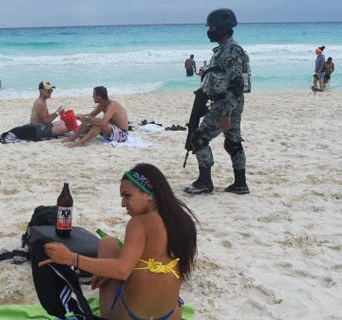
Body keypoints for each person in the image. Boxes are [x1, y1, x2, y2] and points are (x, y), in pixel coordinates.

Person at [39, 163, 197, 320]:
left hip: (131, 316)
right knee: (113, 245)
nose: (123, 204)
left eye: (127, 196)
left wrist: (71, 258)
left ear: (150, 193)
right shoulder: (183, 222)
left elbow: (122, 270)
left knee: (107, 243)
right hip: (170, 316)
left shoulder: (140, 223)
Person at [184, 8, 250, 195]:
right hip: (230, 101)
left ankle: (205, 182)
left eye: (213, 27)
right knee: (232, 142)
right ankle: (240, 184)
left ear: (223, 28)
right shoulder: (224, 50)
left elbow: (237, 83)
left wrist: (226, 113)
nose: (210, 31)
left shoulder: (229, 51)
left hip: (226, 103)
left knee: (199, 138)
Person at [63, 86, 129, 148]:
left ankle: (79, 142)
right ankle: (72, 138)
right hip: (111, 131)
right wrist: (80, 116)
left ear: (99, 96)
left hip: (122, 134)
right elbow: (91, 115)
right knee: (88, 121)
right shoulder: (102, 104)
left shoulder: (112, 105)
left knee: (99, 123)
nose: (92, 96)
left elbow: (103, 123)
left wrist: (87, 118)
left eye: (94, 95)